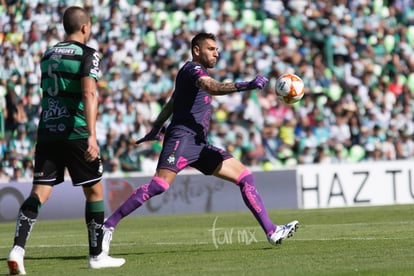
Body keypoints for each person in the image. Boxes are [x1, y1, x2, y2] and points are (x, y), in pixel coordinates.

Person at [101, 32, 299, 254]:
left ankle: (271, 231)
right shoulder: (192, 70)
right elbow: (213, 87)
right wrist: (247, 85)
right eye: (211, 49)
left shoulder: (190, 75)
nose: (217, 53)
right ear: (197, 50)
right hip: (182, 138)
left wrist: (156, 126)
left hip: (199, 143)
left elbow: (173, 102)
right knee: (160, 185)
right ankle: (107, 226)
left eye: (217, 49)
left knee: (245, 177)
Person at [6, 6, 125, 275]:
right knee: (94, 191)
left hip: (48, 131)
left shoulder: (48, 54)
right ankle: (96, 256)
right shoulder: (88, 54)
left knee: (38, 193)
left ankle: (17, 250)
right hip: (77, 132)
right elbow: (89, 94)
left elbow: (47, 94)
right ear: (85, 27)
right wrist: (93, 136)